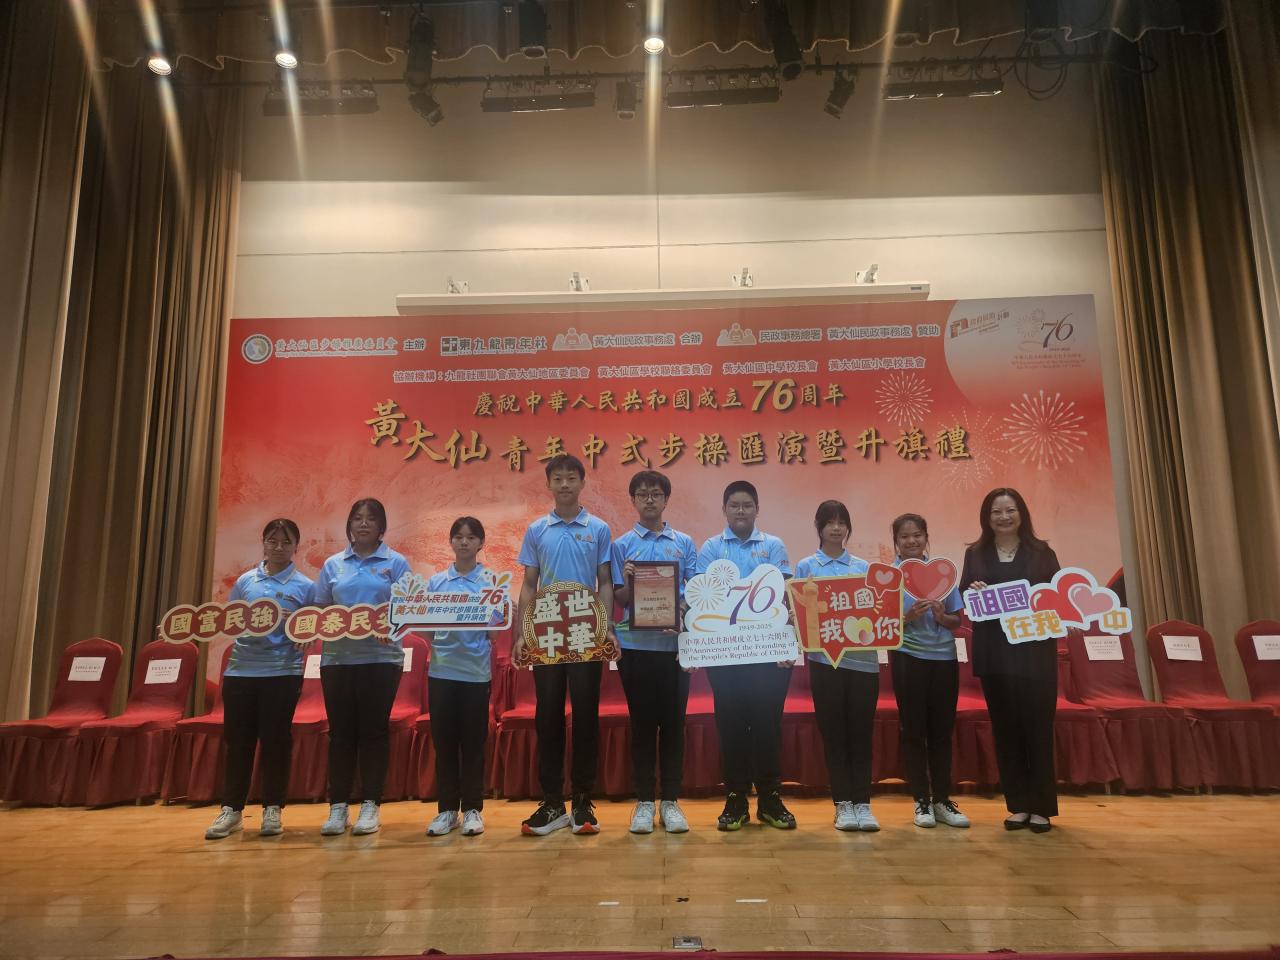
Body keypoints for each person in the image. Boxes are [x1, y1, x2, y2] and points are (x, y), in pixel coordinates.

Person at [514, 454, 615, 836]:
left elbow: (605, 582)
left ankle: (583, 799)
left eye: (572, 478)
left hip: (586, 631)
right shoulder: (537, 529)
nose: (565, 484)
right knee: (548, 715)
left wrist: (605, 627)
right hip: (547, 633)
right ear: (549, 484)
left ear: (582, 483)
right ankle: (552, 801)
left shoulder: (598, 528)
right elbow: (529, 584)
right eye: (558, 478)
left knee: (586, 713)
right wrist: (523, 632)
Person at [959, 487, 1061, 833]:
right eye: (996, 512)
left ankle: (1042, 807)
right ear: (987, 518)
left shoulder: (1042, 552)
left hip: (1035, 656)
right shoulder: (975, 553)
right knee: (1006, 732)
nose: (1003, 517)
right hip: (995, 656)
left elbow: (1056, 598)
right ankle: (1018, 804)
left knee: (1038, 731)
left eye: (1010, 510)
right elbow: (963, 595)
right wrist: (972, 592)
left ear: (1022, 514)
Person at [205, 519, 314, 840]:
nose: (278, 547)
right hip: (241, 671)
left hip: (282, 672)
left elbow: (311, 627)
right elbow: (231, 621)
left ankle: (273, 809)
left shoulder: (305, 586)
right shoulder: (245, 582)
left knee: (276, 742)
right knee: (238, 742)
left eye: (286, 542)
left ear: (296, 547)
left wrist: (303, 634)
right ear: (264, 543)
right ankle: (232, 810)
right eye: (272, 541)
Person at [697, 480, 795, 831]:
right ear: (724, 509)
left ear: (757, 509)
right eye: (734, 505)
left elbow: (784, 598)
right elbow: (702, 599)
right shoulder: (711, 548)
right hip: (726, 657)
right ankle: (735, 798)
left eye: (747, 505)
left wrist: (786, 645)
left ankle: (770, 798)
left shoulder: (773, 545)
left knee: (768, 726)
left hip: (768, 656)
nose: (741, 511)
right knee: (731, 726)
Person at [311, 498, 412, 837]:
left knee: (374, 732)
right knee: (340, 734)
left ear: (382, 526)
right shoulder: (333, 565)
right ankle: (338, 806)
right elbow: (320, 611)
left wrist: (392, 626)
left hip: (381, 660)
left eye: (371, 518)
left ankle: (371, 804)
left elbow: (408, 608)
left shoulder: (396, 563)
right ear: (349, 524)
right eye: (357, 518)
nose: (364, 524)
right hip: (338, 661)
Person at [611, 469, 698, 834]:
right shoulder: (621, 545)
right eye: (643, 494)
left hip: (675, 649)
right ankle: (645, 801)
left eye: (656, 494)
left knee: (674, 725)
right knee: (643, 726)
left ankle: (671, 801)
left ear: (666, 499)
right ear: (633, 500)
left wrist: (681, 611)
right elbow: (619, 600)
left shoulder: (685, 543)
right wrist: (629, 580)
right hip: (635, 648)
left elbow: (696, 593)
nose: (649, 499)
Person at [794, 500, 881, 833]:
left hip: (863, 664)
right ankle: (842, 803)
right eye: (829, 522)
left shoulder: (863, 567)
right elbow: (800, 614)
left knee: (860, 732)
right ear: (818, 526)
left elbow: (876, 612)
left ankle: (863, 803)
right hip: (824, 662)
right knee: (833, 734)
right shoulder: (806, 567)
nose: (836, 528)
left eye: (841, 522)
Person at [889, 513, 969, 830]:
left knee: (941, 731)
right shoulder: (889, 578)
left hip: (944, 659)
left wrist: (941, 617)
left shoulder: (943, 573)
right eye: (905, 536)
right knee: (913, 731)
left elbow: (956, 621)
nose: (912, 541)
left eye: (917, 535)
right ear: (896, 541)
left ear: (926, 537)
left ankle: (942, 800)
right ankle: (921, 799)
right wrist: (906, 617)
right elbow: (881, 625)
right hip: (907, 658)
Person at [423, 517, 495, 839]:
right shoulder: (436, 583)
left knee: (474, 743)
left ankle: (473, 809)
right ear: (450, 542)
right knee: (445, 743)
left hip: (476, 674)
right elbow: (425, 629)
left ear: (481, 543)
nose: (464, 542)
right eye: (458, 537)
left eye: (471, 537)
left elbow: (496, 630)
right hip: (441, 672)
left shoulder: (491, 582)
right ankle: (447, 810)